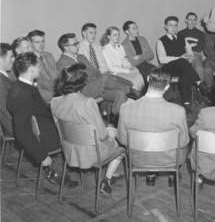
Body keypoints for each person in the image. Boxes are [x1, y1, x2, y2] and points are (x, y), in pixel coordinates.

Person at [51, 64, 124, 195]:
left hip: (70, 152)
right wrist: (111, 131)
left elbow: (69, 117)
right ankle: (106, 180)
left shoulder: (55, 102)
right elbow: (102, 136)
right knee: (119, 142)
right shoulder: (87, 103)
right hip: (92, 155)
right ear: (83, 83)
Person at [7, 52, 77, 187]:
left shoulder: (20, 86)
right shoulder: (23, 93)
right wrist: (42, 156)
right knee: (76, 131)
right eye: (39, 66)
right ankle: (58, 171)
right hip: (46, 137)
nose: (40, 69)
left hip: (44, 127)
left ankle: (58, 169)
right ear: (32, 69)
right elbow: (21, 131)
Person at [117, 68, 189, 186]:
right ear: (167, 87)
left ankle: (150, 173)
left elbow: (122, 139)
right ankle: (173, 173)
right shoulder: (178, 111)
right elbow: (184, 141)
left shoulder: (126, 108)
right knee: (183, 144)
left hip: (138, 159)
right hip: (170, 159)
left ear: (147, 79)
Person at [56, 33, 135, 115]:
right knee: (105, 77)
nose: (78, 46)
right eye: (75, 44)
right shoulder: (61, 63)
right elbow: (73, 84)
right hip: (82, 91)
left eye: (77, 43)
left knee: (120, 94)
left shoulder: (80, 57)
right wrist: (97, 79)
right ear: (65, 47)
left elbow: (95, 71)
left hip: (97, 86)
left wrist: (98, 79)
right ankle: (131, 91)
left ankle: (114, 118)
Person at [156, 16, 204, 107]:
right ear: (165, 27)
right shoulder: (161, 41)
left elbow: (190, 54)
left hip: (183, 67)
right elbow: (162, 59)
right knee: (182, 61)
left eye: (175, 25)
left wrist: (188, 57)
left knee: (185, 75)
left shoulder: (182, 38)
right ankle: (199, 82)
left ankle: (187, 104)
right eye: (171, 25)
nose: (173, 28)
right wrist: (179, 58)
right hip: (168, 68)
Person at [100, 27, 145, 91]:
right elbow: (111, 68)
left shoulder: (120, 47)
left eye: (118, 34)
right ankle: (134, 94)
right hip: (114, 73)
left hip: (123, 70)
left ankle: (140, 93)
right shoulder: (105, 50)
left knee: (138, 74)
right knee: (133, 79)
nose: (117, 37)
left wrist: (130, 67)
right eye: (115, 35)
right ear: (109, 36)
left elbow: (124, 60)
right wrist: (128, 71)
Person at [27, 30, 58, 103]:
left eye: (43, 41)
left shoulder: (49, 56)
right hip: (43, 99)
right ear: (30, 43)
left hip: (57, 96)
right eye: (37, 42)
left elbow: (56, 76)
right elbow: (36, 87)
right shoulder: (29, 60)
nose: (41, 45)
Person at [178, 12, 205, 81]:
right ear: (186, 20)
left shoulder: (201, 34)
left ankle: (201, 88)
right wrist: (191, 46)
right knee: (183, 70)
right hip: (184, 55)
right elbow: (179, 47)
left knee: (199, 68)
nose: (192, 22)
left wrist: (187, 46)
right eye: (190, 19)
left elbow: (199, 48)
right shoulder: (180, 33)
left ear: (196, 21)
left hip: (196, 55)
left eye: (194, 20)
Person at [0, 43, 15, 136]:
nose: (13, 60)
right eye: (11, 56)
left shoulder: (5, 77)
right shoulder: (1, 82)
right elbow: (4, 112)